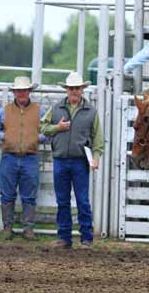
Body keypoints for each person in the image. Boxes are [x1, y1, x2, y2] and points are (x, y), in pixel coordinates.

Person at [40, 72, 104, 249]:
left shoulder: (91, 111)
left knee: (82, 200)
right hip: (60, 159)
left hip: (80, 161)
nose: (74, 91)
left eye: (77, 88)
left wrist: (96, 158)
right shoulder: (57, 107)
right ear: (67, 90)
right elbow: (43, 127)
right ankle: (64, 237)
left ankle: (86, 238)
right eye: (71, 88)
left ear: (82, 89)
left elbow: (97, 138)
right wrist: (57, 127)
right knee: (62, 200)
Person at [0, 77, 48, 240]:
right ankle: (8, 228)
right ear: (14, 92)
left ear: (29, 92)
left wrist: (36, 138)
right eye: (18, 90)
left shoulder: (39, 111)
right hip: (9, 157)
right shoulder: (4, 111)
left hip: (31, 157)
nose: (21, 93)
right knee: (7, 194)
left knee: (29, 194)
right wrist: (6, 136)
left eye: (24, 90)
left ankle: (28, 229)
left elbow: (48, 132)